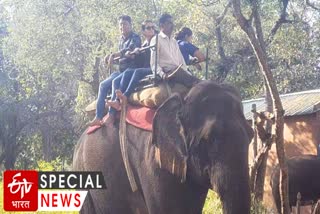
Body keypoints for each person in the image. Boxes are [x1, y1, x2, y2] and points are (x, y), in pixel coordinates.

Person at [88, 15, 141, 126]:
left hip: (130, 70)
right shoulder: (121, 40)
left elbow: (131, 50)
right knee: (102, 85)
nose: (122, 26)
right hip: (121, 70)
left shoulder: (135, 37)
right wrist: (111, 59)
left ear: (130, 25)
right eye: (120, 24)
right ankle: (98, 117)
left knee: (114, 82)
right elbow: (122, 58)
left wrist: (115, 54)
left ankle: (111, 114)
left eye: (125, 24)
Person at [107, 20, 156, 110]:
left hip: (155, 67)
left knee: (137, 71)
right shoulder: (145, 43)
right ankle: (117, 101)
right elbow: (140, 57)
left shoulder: (156, 40)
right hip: (145, 67)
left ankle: (125, 96)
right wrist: (135, 52)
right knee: (127, 73)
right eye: (148, 28)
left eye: (153, 27)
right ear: (143, 31)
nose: (152, 30)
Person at [150, 13, 200, 88]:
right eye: (169, 23)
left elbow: (181, 60)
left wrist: (187, 73)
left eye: (172, 22)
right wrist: (162, 74)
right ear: (162, 25)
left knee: (194, 80)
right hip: (170, 72)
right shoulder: (156, 40)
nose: (172, 25)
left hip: (179, 71)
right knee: (197, 85)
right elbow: (154, 63)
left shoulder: (174, 41)